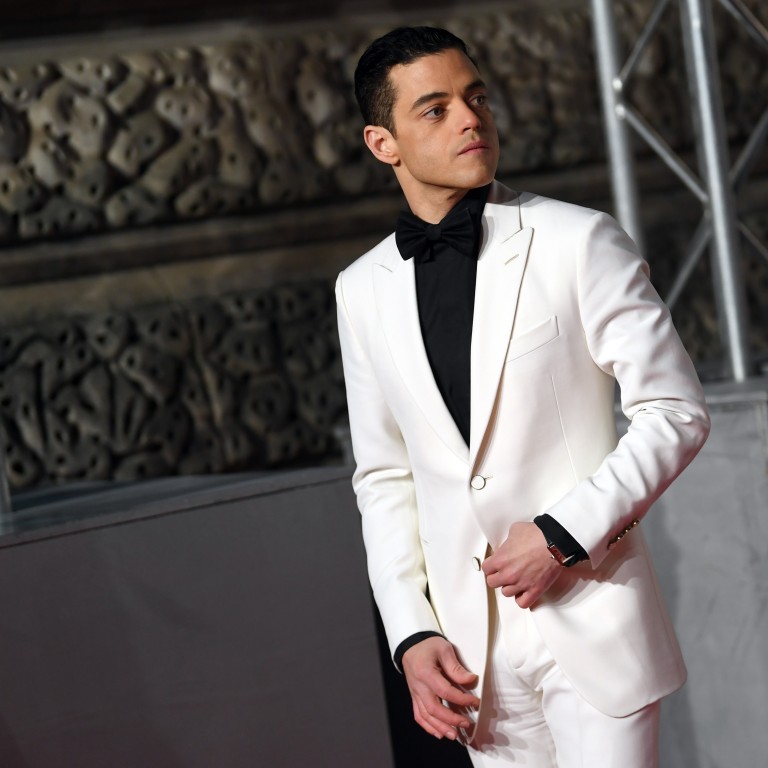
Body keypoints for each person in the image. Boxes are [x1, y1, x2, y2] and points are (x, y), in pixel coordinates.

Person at [335, 25, 710, 768]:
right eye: (435, 109)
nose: (472, 119)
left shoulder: (578, 240)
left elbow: (675, 412)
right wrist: (411, 631)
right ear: (384, 144)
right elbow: (383, 478)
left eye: (476, 98)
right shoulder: (360, 291)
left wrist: (562, 532)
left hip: (592, 613)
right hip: (472, 656)